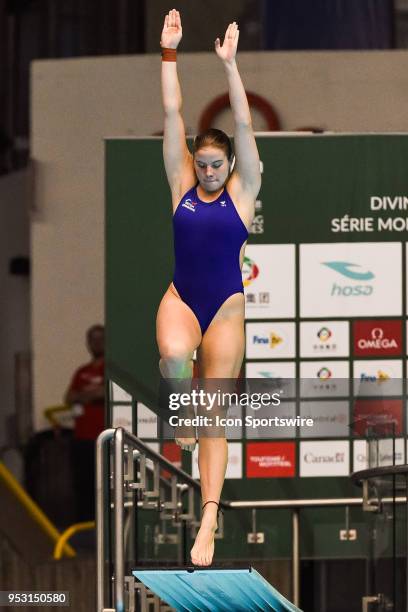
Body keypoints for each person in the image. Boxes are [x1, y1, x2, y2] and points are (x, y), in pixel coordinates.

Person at [156, 10, 261, 566]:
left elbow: (245, 126)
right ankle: (182, 421)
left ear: (232, 166)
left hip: (224, 309)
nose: (210, 172)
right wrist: (170, 53)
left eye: (218, 165)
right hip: (182, 298)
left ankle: (209, 519)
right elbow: (172, 112)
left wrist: (230, 66)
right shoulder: (182, 185)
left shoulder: (244, 194)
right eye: (203, 165)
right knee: (174, 355)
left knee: (213, 419)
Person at [64, 324, 105, 520]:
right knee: (82, 484)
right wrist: (89, 395)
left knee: (103, 484)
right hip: (81, 437)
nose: (96, 343)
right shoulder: (82, 371)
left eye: (100, 338)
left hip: (103, 438)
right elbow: (70, 397)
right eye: (93, 339)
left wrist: (85, 395)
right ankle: (83, 525)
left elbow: (104, 392)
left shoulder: (110, 368)